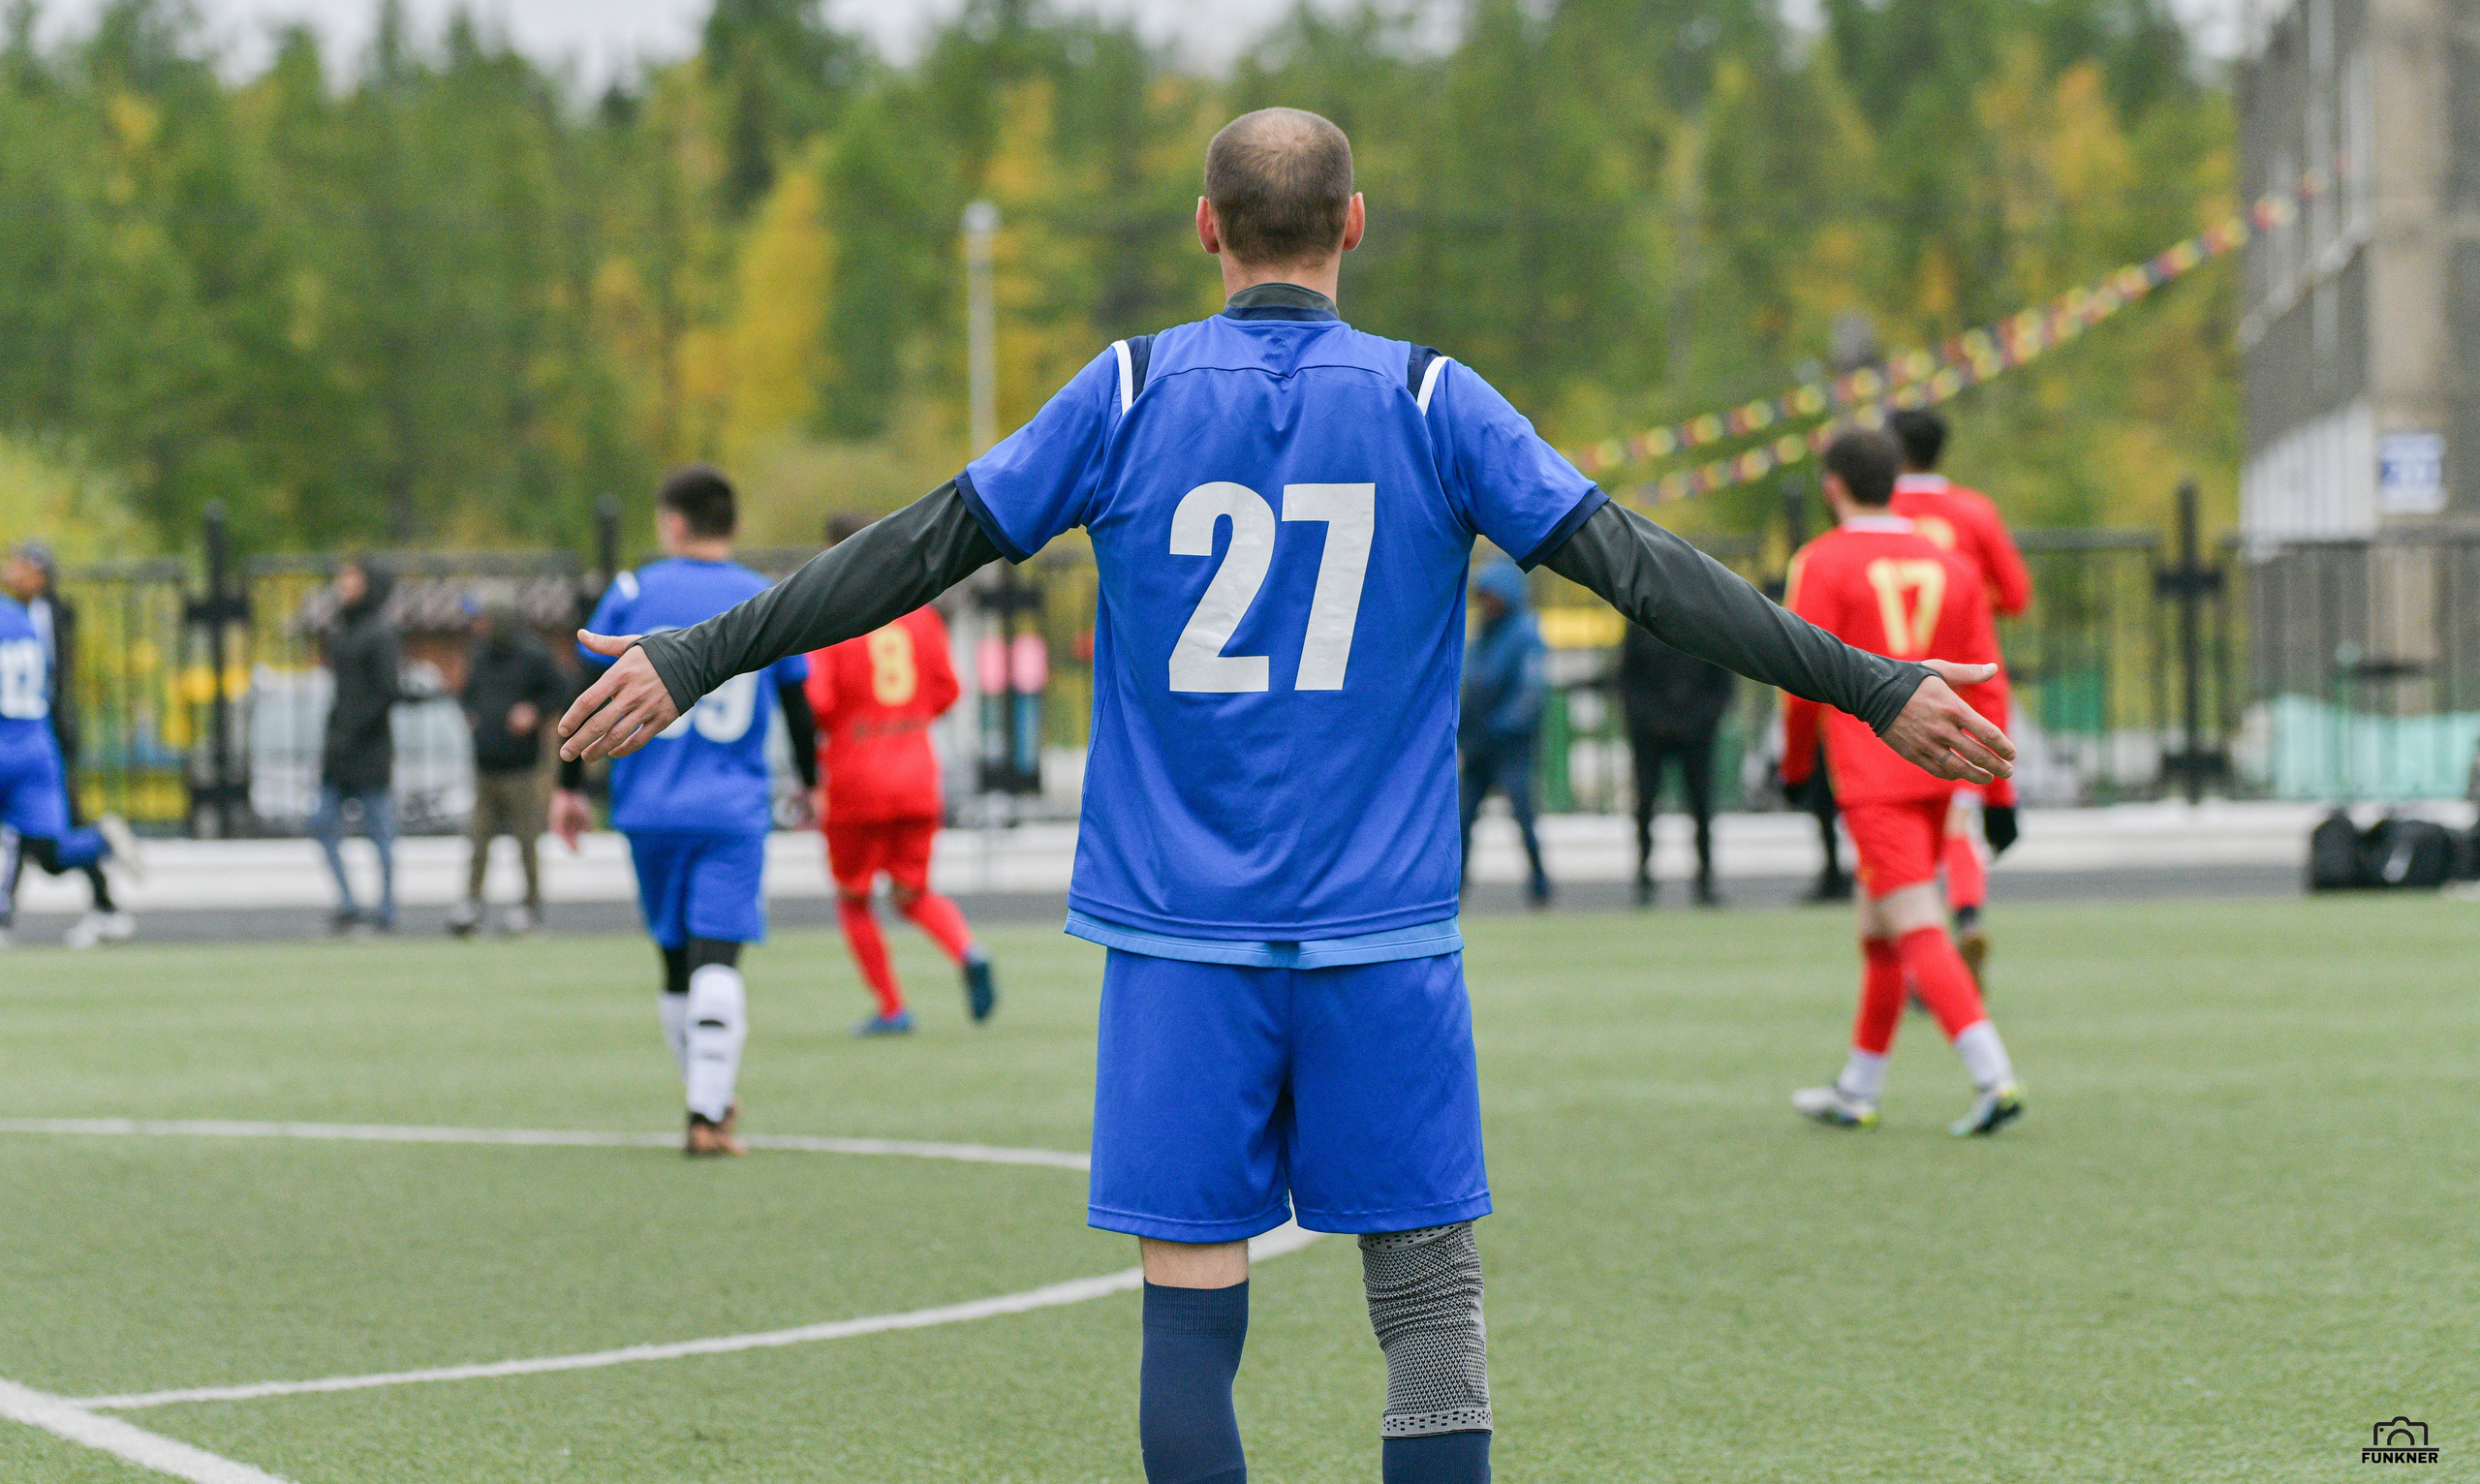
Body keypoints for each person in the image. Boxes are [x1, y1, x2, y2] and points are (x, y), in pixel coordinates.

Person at [556, 108, 2009, 1483]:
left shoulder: (1123, 391)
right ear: (1353, 227)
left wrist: (701, 648)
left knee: (1190, 1304)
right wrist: (1874, 683)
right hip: (1383, 935)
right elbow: (1640, 566)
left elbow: (918, 546)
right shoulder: (1436, 399)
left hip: (1181, 937)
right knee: (1429, 1310)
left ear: (1208, 228)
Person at [551, 466, 818, 1158]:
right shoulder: (761, 594)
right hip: (729, 808)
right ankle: (707, 1112)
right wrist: (813, 782)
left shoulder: (634, 590)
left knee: (675, 962)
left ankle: (708, 1102)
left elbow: (586, 687)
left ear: (673, 522)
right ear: (728, 522)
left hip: (647, 805)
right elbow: (796, 698)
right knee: (718, 957)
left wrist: (569, 786)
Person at [1781, 428, 2025, 1137]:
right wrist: (2000, 790)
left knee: (1915, 923)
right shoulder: (1951, 562)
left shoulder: (1822, 559)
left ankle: (1993, 1076)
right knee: (1879, 928)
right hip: (1940, 767)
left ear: (1833, 485)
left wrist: (1797, 767)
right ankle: (1858, 1087)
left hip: (1872, 771)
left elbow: (1800, 680)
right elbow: (1987, 677)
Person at [806, 513, 996, 1036]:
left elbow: (817, 702)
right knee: (912, 892)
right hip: (916, 771)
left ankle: (893, 1008)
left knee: (853, 897)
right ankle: (968, 949)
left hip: (855, 776)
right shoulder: (918, 615)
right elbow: (948, 689)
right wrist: (904, 726)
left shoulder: (832, 617)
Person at [1886, 407, 2030, 985]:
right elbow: (2016, 596)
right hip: (1966, 680)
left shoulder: (1879, 516)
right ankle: (1968, 917)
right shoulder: (1973, 511)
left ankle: (1922, 958)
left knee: (1902, 830)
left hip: (1891, 688)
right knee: (1959, 821)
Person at [0, 554, 141, 950]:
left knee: (32, 848)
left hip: (8, 745)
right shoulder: (22, 620)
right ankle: (101, 843)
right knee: (50, 851)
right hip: (36, 747)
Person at [450, 594, 571, 937]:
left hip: (521, 767)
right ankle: (472, 904)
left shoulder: (532, 654)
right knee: (477, 839)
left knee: (526, 839)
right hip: (486, 763)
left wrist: (533, 710)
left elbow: (562, 692)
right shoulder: (479, 654)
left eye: (483, 620)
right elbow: (468, 693)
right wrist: (471, 714)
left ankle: (530, 907)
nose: (478, 627)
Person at [311, 559, 405, 934]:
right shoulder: (344, 628)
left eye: (351, 577)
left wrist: (352, 731)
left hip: (367, 750)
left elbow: (386, 691)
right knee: (322, 825)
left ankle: (385, 909)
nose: (342, 583)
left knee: (380, 831)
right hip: (340, 751)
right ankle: (349, 904)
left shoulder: (379, 632)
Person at [1618, 621, 1734, 907]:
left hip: (1695, 732)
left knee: (1701, 804)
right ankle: (1644, 875)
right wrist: (1648, 720)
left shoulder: (1706, 622)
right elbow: (1627, 679)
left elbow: (1722, 683)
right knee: (1645, 801)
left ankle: (1705, 876)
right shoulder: (1641, 622)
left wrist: (1701, 721)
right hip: (1650, 733)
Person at [1457, 558, 1552, 908]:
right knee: (1463, 817)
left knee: (1523, 815)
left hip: (1509, 745)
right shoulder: (1483, 633)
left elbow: (1531, 691)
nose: (1486, 603)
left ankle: (1540, 885)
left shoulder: (1525, 633)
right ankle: (1457, 885)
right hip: (1480, 742)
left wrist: (1503, 726)